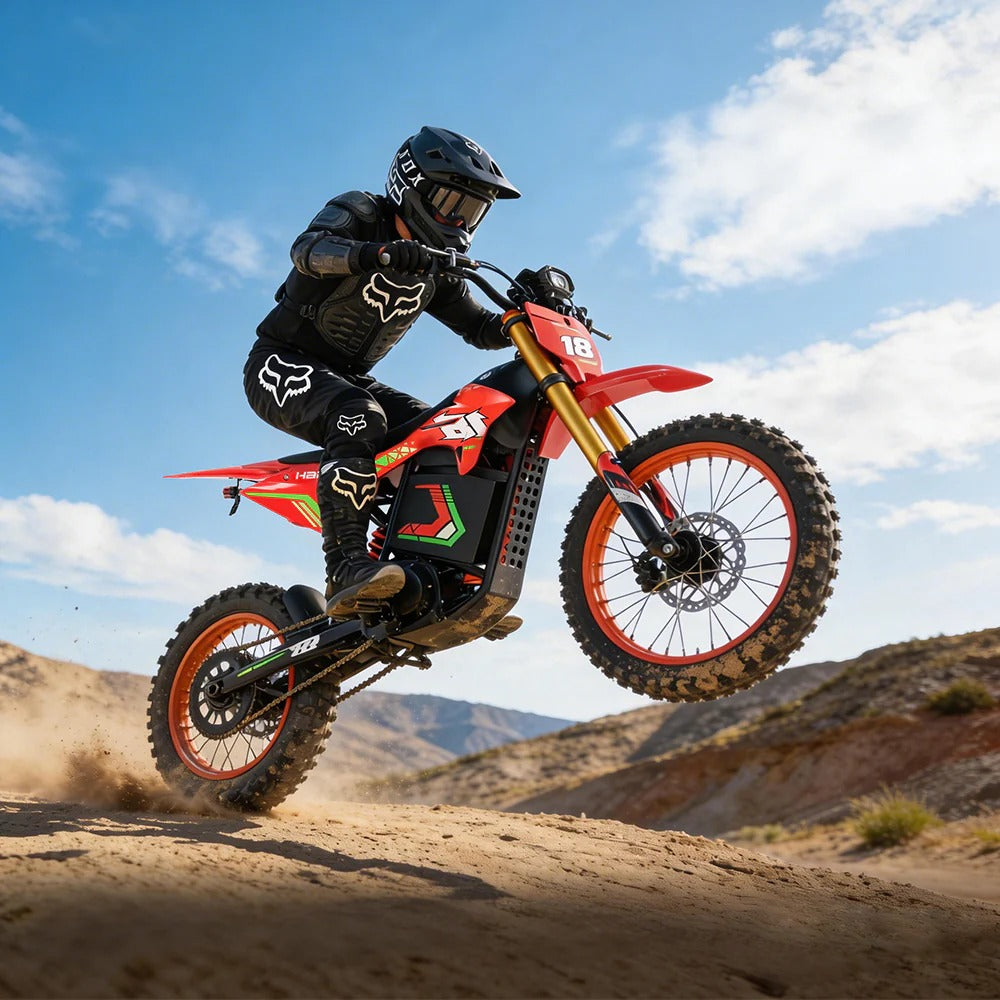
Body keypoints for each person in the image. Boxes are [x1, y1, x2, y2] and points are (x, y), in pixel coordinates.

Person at [244, 126, 520, 617]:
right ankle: (346, 567)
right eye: (449, 201)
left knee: (446, 429)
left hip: (350, 379)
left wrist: (526, 316)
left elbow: (478, 326)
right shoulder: (363, 212)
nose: (458, 219)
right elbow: (307, 250)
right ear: (411, 184)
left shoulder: (437, 267)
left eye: (471, 210)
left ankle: (427, 568)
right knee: (358, 415)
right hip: (279, 361)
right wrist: (377, 253)